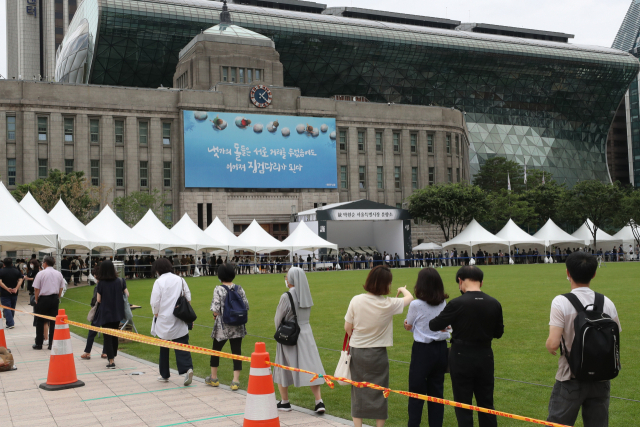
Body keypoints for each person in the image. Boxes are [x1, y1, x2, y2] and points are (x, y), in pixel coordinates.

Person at [545, 251, 621, 426]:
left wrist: (550, 347)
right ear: (594, 274)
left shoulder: (560, 302)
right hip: (602, 377)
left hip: (571, 376)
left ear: (568, 273)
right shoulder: (606, 302)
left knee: (558, 423)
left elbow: (553, 343)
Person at [429, 266, 504, 427]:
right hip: (485, 355)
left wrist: (451, 325)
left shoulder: (457, 303)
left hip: (461, 356)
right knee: (486, 404)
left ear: (460, 281)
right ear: (481, 282)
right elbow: (498, 332)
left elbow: (434, 324)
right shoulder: (494, 303)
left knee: (463, 404)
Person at [344, 265, 413, 427]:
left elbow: (348, 327)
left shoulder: (357, 299)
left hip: (358, 351)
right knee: (381, 391)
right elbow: (410, 298)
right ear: (385, 285)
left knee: (358, 390)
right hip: (378, 354)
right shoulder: (388, 304)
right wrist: (402, 289)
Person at [274, 267, 327, 414]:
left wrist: (280, 331)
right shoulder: (306, 294)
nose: (285, 279)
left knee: (282, 366)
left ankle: (285, 401)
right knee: (311, 366)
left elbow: (278, 318)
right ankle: (319, 401)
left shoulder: (286, 296)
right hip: (306, 332)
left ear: (290, 279)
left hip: (290, 334)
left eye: (286, 276)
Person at [404, 268, 450, 427]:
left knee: (416, 393)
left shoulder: (416, 304)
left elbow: (409, 325)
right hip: (441, 350)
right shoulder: (443, 302)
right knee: (436, 393)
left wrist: (407, 325)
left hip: (423, 350)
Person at [150, 258, 194, 386]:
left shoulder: (159, 282)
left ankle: (164, 374)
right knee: (182, 345)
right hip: (179, 317)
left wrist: (156, 313)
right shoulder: (180, 279)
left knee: (164, 347)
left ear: (158, 269)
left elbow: (155, 301)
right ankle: (187, 368)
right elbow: (188, 297)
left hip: (164, 318)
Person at [206, 263, 249, 391]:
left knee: (216, 350)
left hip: (222, 326)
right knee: (236, 352)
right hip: (238, 325)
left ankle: (213, 378)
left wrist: (215, 315)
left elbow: (215, 309)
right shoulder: (239, 288)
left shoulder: (218, 289)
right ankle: (235, 381)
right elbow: (246, 305)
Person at [93, 260, 128, 369]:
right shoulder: (120, 281)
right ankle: (113, 354)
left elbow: (98, 299)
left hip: (106, 312)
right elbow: (127, 294)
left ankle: (111, 360)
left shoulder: (101, 284)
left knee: (107, 336)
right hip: (117, 311)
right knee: (115, 334)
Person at [32, 256, 65, 350]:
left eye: (43, 262)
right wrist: (57, 297)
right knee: (53, 321)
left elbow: (36, 288)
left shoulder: (41, 273)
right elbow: (61, 287)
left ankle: (39, 344)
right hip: (54, 298)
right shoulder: (58, 273)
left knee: (40, 321)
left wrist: (37, 299)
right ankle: (51, 344)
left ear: (45, 263)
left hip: (43, 298)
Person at [0, 258, 24, 329]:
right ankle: (10, 322)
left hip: (4, 293)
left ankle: (10, 323)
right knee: (12, 308)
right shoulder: (16, 271)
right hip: (14, 292)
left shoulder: (1, 271)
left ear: (4, 264)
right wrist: (16, 288)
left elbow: (0, 282)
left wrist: (7, 288)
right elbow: (20, 280)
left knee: (7, 308)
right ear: (12, 263)